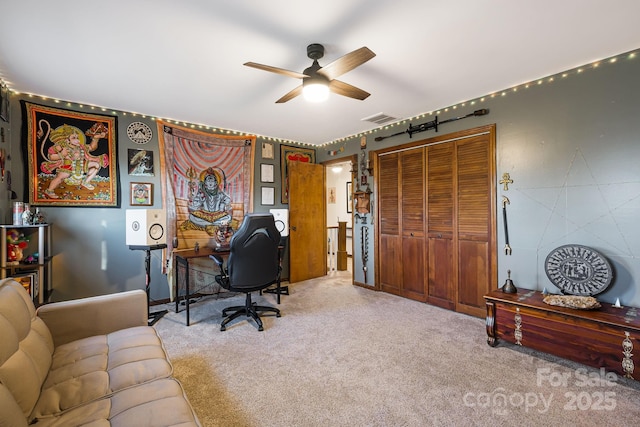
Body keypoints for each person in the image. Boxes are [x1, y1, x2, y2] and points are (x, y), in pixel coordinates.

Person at [40, 123, 109, 199]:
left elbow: (92, 147)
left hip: (80, 165)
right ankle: (49, 190)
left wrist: (96, 138)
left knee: (96, 165)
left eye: (77, 137)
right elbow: (51, 156)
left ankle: (86, 182)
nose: (77, 140)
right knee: (60, 178)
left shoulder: (81, 147)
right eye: (74, 138)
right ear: (67, 139)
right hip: (67, 165)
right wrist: (62, 155)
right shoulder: (62, 146)